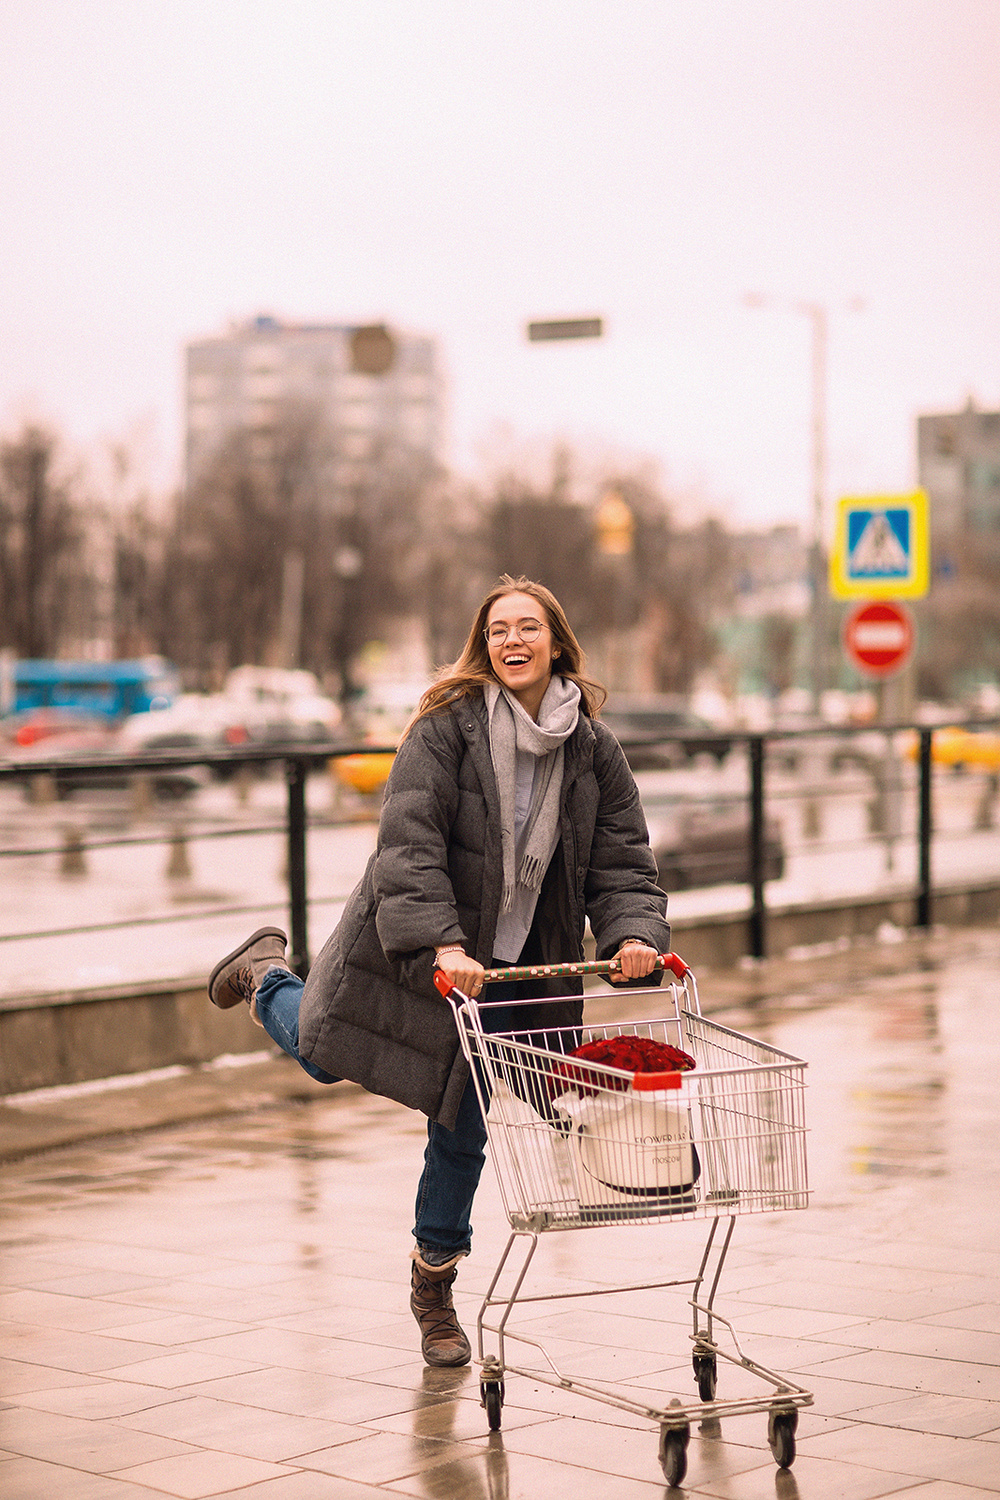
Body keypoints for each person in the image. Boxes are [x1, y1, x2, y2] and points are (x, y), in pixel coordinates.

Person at [208, 575, 670, 1368]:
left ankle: (434, 1287)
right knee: (322, 1054)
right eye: (498, 631)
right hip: (424, 945)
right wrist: (442, 945)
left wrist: (632, 936)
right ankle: (266, 978)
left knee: (464, 1121)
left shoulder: (593, 749)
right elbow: (409, 845)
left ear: (557, 642)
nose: (513, 642)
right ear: (483, 645)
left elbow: (622, 863)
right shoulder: (444, 730)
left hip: (519, 975)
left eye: (528, 628)